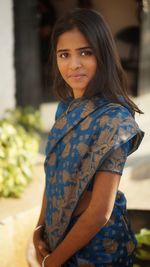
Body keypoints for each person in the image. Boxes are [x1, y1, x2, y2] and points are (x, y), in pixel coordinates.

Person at [33, 8, 144, 267]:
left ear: (102, 55)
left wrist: (53, 262)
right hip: (57, 235)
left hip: (97, 248)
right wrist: (41, 226)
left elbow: (99, 213)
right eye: (64, 55)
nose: (74, 64)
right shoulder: (66, 108)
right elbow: (54, 176)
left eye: (86, 52)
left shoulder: (114, 120)